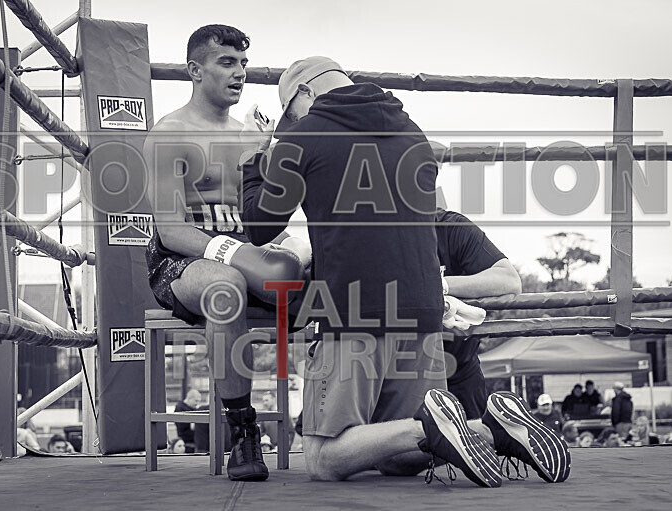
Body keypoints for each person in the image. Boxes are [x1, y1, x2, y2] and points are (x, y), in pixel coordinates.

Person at [240, 55, 568, 486]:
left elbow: (259, 225)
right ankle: (490, 430)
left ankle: (431, 426)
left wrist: (253, 153)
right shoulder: (412, 132)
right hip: (425, 316)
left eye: (290, 114)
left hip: (353, 313)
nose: (290, 124)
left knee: (322, 459)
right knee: (394, 460)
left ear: (306, 92)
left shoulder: (305, 135)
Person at [143, 24, 308, 482]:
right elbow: (172, 230)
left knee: (341, 278)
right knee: (226, 286)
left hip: (253, 255)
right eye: (227, 63)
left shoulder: (251, 136)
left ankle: (338, 425)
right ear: (195, 70)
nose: (239, 74)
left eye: (243, 64)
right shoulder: (169, 134)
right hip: (184, 262)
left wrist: (275, 160)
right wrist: (235, 254)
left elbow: (268, 220)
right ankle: (243, 430)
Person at [432, 208, 569, 482]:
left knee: (399, 463)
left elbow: (509, 281)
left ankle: (491, 432)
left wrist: (440, 285)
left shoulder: (447, 226)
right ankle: (497, 431)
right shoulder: (373, 231)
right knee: (399, 463)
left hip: (457, 365)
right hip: (405, 368)